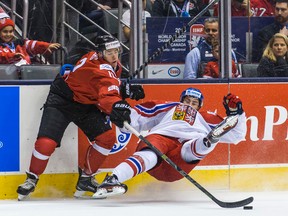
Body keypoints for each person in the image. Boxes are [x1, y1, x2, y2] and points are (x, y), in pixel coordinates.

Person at [16, 35, 145, 201]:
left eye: (116, 51)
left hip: (85, 103)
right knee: (46, 143)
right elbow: (106, 92)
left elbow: (102, 85)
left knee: (106, 138)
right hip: (62, 100)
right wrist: (117, 105)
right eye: (109, 52)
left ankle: (86, 179)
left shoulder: (107, 63)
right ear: (100, 53)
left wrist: (124, 89)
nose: (114, 56)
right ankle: (31, 179)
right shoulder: (99, 68)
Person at [92, 87, 247, 198]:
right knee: (152, 154)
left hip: (180, 159)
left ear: (200, 106)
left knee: (191, 149)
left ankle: (207, 141)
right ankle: (113, 179)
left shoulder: (207, 118)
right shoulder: (168, 107)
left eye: (194, 102)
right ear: (181, 101)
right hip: (162, 138)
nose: (190, 104)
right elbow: (138, 116)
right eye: (187, 100)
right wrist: (124, 116)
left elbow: (237, 135)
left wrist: (238, 114)